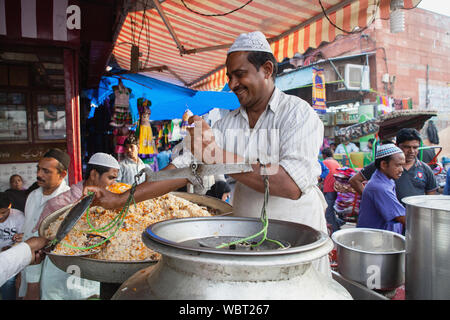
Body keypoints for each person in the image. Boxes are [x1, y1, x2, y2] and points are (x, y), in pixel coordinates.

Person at [85, 31, 331, 277]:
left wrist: (217, 156)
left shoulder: (298, 115)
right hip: (247, 241)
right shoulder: (228, 123)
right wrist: (122, 199)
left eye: (240, 74)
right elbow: (184, 169)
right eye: (229, 77)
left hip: (297, 243)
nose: (232, 84)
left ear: (267, 69)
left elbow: (290, 185)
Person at [349, 128, 438, 205]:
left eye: (415, 147)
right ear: (396, 145)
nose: (411, 151)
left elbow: (430, 199)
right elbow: (354, 180)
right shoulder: (384, 164)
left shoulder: (425, 169)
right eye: (407, 147)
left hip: (414, 219)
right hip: (388, 219)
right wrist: (372, 200)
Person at [356, 144, 406, 234]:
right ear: (383, 164)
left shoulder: (387, 180)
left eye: (402, 165)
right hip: (378, 241)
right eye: (398, 165)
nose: (401, 169)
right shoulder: (380, 187)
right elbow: (401, 217)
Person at [0, 192, 25, 299]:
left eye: (3, 212)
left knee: (8, 281)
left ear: (9, 206)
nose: (0, 216)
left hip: (11, 259)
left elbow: (24, 241)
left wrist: (11, 248)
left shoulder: (18, 216)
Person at [321, 148, 344, 233]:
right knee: (331, 211)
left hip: (329, 189)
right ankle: (339, 223)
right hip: (337, 189)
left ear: (324, 155)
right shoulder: (336, 162)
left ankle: (335, 231)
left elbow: (319, 176)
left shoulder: (324, 162)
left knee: (328, 213)